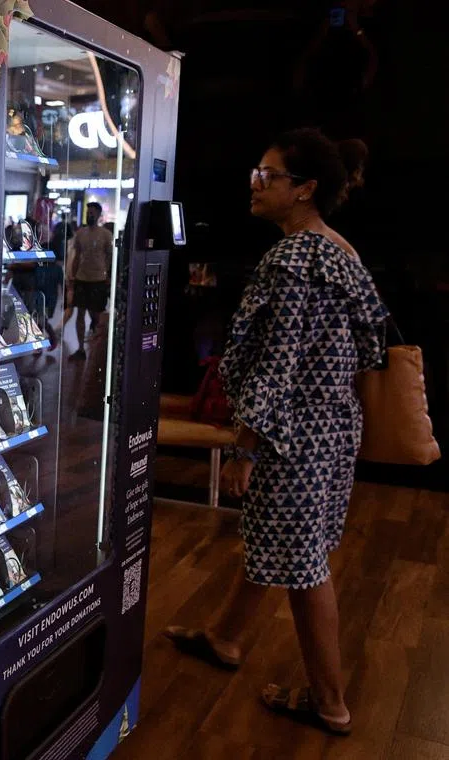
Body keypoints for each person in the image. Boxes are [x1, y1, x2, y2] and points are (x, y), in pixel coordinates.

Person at [163, 128, 388, 736]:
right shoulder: (341, 252)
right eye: (256, 173)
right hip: (332, 434)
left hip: (290, 439)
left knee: (304, 567)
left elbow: (276, 362)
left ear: (306, 189)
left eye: (269, 176)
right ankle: (227, 638)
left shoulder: (290, 258)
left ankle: (330, 702)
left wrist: (245, 447)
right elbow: (374, 346)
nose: (255, 184)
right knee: (285, 546)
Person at [66, 202, 113, 358]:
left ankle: (97, 349)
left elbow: (110, 257)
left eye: (93, 212)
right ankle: (81, 349)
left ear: (99, 215)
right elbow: (77, 255)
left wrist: (108, 276)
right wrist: (72, 274)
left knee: (97, 314)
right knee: (80, 313)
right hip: (82, 278)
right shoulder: (81, 233)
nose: (90, 215)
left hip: (98, 279)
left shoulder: (106, 235)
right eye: (88, 212)